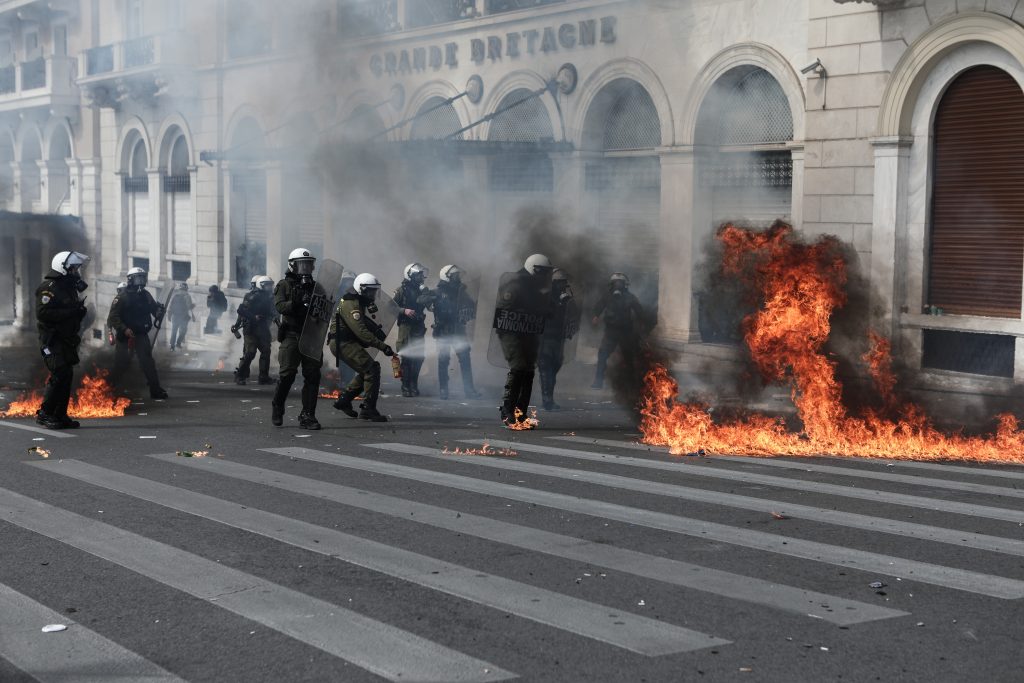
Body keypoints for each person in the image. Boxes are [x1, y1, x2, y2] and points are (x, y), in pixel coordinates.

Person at [494, 254, 553, 428]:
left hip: (528, 333)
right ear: (534, 269)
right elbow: (504, 311)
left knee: (528, 371)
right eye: (543, 272)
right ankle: (507, 410)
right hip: (512, 334)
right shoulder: (515, 286)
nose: (545, 277)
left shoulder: (534, 288)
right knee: (519, 367)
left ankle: (520, 413)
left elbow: (544, 312)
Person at [34, 251, 90, 429]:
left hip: (66, 340)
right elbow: (43, 313)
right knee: (59, 375)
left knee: (67, 376)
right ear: (63, 268)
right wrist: (72, 312)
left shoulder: (68, 287)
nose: (76, 272)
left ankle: (60, 414)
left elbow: (69, 313)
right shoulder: (49, 287)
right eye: (73, 268)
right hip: (53, 340)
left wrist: (79, 313)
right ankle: (45, 414)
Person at [329, 273, 395, 422]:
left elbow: (364, 324)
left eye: (375, 290)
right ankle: (368, 409)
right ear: (361, 289)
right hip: (343, 343)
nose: (373, 294)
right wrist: (382, 346)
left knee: (366, 371)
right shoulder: (351, 304)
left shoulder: (357, 302)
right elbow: (361, 331)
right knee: (372, 369)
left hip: (345, 343)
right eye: (371, 291)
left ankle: (344, 401)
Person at [271, 248, 323, 430]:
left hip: (311, 336)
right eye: (302, 264)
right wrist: (296, 303)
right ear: (292, 265)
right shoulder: (284, 285)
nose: (306, 268)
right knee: (287, 375)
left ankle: (308, 415)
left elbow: (324, 309)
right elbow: (279, 306)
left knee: (313, 377)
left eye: (309, 264)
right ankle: (277, 405)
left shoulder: (317, 287)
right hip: (292, 334)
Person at [420, 264, 481, 400]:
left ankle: (469, 390)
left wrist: (468, 312)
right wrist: (430, 297)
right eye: (455, 275)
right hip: (443, 331)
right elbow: (421, 300)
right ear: (447, 277)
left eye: (458, 275)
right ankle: (443, 390)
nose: (458, 278)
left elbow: (471, 306)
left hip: (459, 330)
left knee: (465, 359)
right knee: (443, 360)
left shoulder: (461, 292)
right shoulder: (438, 291)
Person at [108, 267, 169, 399]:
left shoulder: (146, 295)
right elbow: (113, 317)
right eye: (138, 278)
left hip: (141, 335)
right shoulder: (122, 297)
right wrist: (124, 329)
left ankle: (155, 390)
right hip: (125, 337)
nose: (141, 281)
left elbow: (153, 309)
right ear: (130, 280)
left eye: (143, 278)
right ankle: (109, 389)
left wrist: (158, 312)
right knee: (121, 364)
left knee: (148, 363)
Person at [591, 272, 645, 389]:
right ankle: (598, 381)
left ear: (625, 285)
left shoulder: (630, 297)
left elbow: (639, 311)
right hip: (611, 332)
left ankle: (631, 383)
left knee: (628, 357)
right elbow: (599, 306)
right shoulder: (607, 296)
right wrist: (596, 315)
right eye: (616, 283)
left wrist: (641, 324)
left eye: (620, 283)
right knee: (602, 355)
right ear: (612, 284)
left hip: (625, 332)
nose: (618, 285)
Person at [538, 268, 577, 411]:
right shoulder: (544, 297)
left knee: (554, 368)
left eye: (564, 283)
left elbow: (573, 316)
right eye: (560, 283)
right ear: (553, 283)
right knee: (545, 368)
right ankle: (546, 400)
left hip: (558, 339)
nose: (563, 286)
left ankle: (549, 398)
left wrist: (567, 303)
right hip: (545, 339)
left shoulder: (565, 299)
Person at [393, 262, 429, 397]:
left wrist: (429, 296)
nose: (421, 277)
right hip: (406, 327)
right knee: (406, 357)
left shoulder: (422, 290)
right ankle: (405, 385)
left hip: (419, 326)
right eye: (419, 275)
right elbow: (390, 307)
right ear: (411, 276)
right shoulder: (401, 291)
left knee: (419, 357)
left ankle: (414, 384)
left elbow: (430, 306)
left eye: (422, 274)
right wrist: (404, 310)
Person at [233, 275, 276, 385]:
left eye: (270, 285)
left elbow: (270, 311)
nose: (270, 287)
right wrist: (253, 317)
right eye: (267, 285)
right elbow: (241, 310)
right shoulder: (252, 296)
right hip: (251, 328)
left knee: (266, 351)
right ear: (261, 285)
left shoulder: (270, 297)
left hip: (262, 328)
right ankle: (240, 376)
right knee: (250, 353)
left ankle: (263, 376)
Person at [167, 282, 194, 350]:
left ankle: (172, 346)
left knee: (174, 331)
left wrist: (169, 315)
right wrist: (193, 305)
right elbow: (189, 306)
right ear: (186, 289)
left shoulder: (175, 296)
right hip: (183, 317)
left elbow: (170, 306)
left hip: (175, 316)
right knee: (183, 331)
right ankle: (178, 343)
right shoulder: (187, 296)